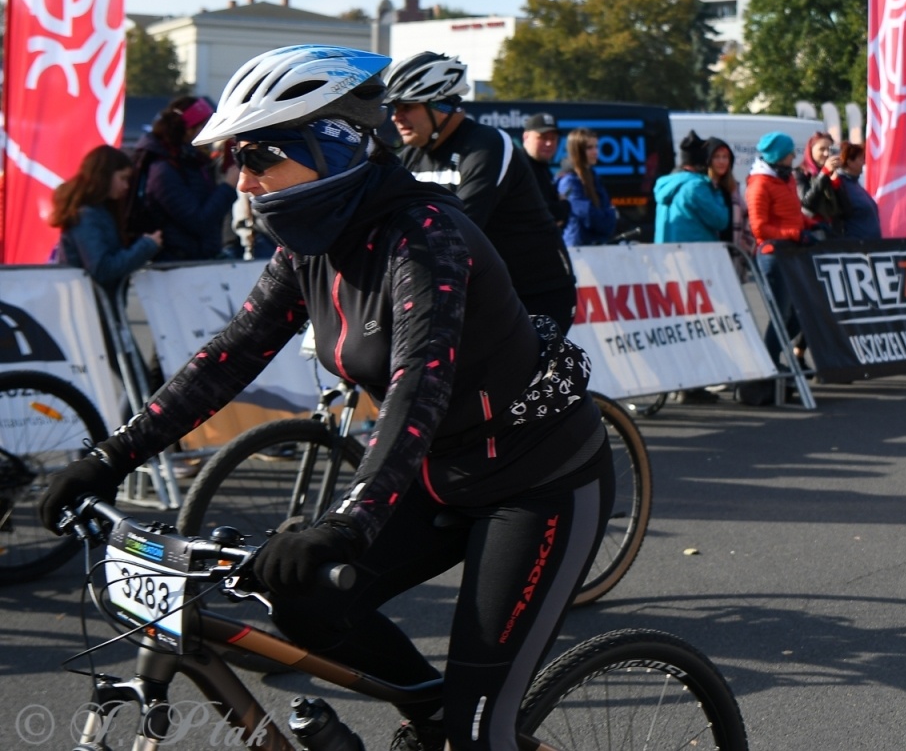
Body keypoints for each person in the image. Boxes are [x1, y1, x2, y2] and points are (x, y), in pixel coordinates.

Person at [39, 45, 610, 751]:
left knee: (478, 727)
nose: (244, 182)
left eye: (258, 158)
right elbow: (229, 357)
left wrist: (346, 523)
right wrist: (109, 457)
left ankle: (459, 727)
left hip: (537, 481)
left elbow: (416, 390)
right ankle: (430, 713)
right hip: (440, 475)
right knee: (302, 601)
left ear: (331, 149)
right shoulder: (310, 243)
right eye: (236, 163)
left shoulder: (423, 236)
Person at [383, 52, 577, 331]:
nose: (396, 118)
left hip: (537, 293)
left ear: (441, 104)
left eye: (406, 106)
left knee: (506, 375)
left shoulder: (487, 145)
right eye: (393, 108)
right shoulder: (411, 154)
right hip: (482, 293)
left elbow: (457, 229)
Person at [746, 132, 817, 401]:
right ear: (777, 155)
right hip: (773, 256)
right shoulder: (760, 184)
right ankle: (771, 363)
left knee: (797, 316)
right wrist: (795, 234)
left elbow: (795, 215)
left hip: (791, 254)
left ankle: (772, 358)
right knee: (780, 314)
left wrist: (811, 225)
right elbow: (759, 227)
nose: (793, 158)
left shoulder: (784, 179)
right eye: (789, 154)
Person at [133, 95, 238, 261]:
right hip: (176, 265)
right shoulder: (162, 170)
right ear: (188, 130)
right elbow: (199, 221)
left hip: (196, 259)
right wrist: (228, 187)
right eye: (204, 126)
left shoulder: (192, 162)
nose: (209, 134)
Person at [49, 145, 164, 290]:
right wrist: (146, 245)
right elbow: (102, 269)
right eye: (123, 178)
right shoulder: (87, 216)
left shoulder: (95, 213)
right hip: (90, 304)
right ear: (104, 176)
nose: (126, 186)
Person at [654, 131, 731, 242]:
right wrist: (717, 191)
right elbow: (720, 221)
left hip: (668, 254)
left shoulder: (667, 183)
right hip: (694, 255)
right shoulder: (696, 186)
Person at [558, 128, 620, 247]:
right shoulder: (569, 180)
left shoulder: (593, 175)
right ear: (577, 150)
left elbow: (605, 207)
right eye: (589, 148)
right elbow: (589, 217)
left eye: (596, 146)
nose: (595, 151)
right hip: (578, 248)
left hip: (594, 246)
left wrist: (609, 215)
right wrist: (611, 215)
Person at [521, 112, 572, 230]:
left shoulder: (543, 167)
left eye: (553, 139)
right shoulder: (519, 167)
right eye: (542, 138)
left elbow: (557, 218)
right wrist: (564, 205)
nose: (549, 143)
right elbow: (538, 213)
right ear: (526, 137)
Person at [706, 137, 750, 250]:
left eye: (725, 157)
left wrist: (746, 245)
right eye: (716, 157)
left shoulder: (734, 188)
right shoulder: (705, 187)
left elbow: (746, 217)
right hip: (712, 251)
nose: (721, 161)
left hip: (735, 253)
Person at [796, 132, 844, 230]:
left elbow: (846, 209)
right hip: (813, 231)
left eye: (829, 149)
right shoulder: (799, 173)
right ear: (810, 151)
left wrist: (837, 185)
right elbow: (806, 203)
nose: (826, 154)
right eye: (822, 149)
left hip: (834, 232)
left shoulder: (833, 173)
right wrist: (824, 174)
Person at [834, 142, 882, 239]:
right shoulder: (841, 184)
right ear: (849, 162)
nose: (864, 162)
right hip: (856, 246)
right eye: (861, 159)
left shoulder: (855, 183)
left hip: (869, 245)